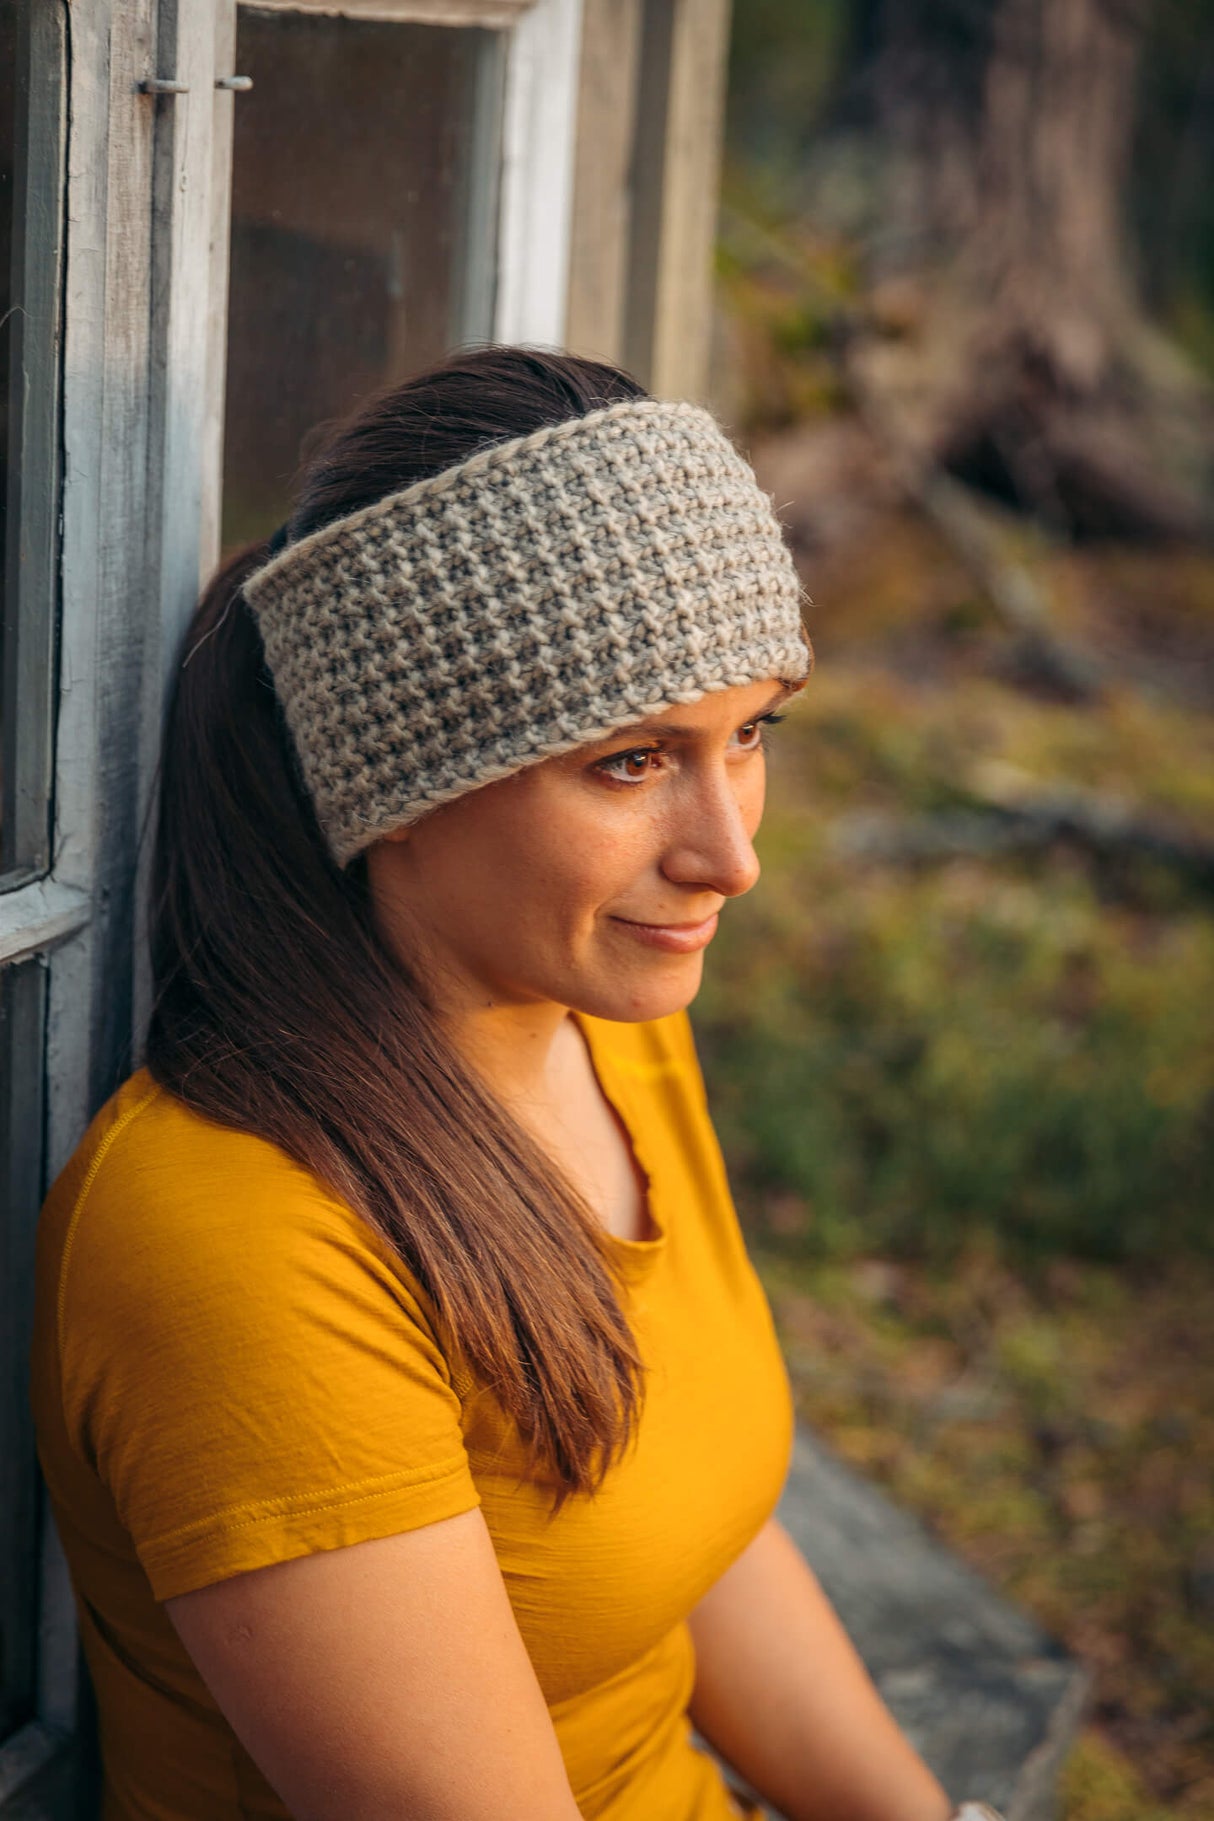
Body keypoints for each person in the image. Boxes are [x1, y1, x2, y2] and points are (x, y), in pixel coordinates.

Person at [31, 346, 993, 1821]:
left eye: (750, 734)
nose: (731, 855)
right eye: (631, 762)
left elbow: (700, 1531)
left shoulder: (607, 1021)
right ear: (391, 784)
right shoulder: (236, 1244)